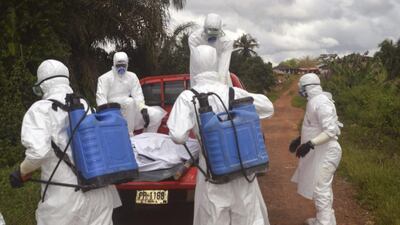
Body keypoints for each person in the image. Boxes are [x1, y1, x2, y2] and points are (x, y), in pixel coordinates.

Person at [167, 45, 273, 225]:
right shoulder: (233, 91)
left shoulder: (188, 96)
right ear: (216, 63)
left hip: (212, 171)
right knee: (248, 216)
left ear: (194, 64)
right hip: (242, 167)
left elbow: (178, 136)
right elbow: (268, 108)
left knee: (214, 218)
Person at [9, 59, 121, 225]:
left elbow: (38, 153)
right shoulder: (84, 104)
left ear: (43, 85)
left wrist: (22, 172)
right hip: (99, 191)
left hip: (65, 200)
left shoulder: (40, 109)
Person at [289, 73, 343, 225]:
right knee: (322, 187)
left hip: (328, 151)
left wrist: (309, 144)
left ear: (307, 88)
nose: (299, 91)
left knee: (320, 188)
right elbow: (314, 126)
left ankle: (324, 222)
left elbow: (331, 130)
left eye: (301, 87)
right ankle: (326, 219)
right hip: (321, 150)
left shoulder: (321, 103)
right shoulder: (313, 101)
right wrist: (300, 140)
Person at [96, 51, 165, 134]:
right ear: (114, 64)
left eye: (123, 65)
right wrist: (107, 116)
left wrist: (143, 109)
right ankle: (129, 135)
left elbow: (138, 94)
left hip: (130, 110)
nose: (121, 68)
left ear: (127, 64)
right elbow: (101, 98)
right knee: (130, 102)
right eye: (118, 65)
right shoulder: (105, 78)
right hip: (113, 111)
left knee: (155, 115)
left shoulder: (132, 77)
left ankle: (147, 138)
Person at [189, 13, 234, 87]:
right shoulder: (194, 39)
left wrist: (220, 87)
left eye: (215, 34)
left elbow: (223, 67)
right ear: (204, 28)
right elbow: (195, 65)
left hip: (218, 68)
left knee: (225, 88)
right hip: (200, 70)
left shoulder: (226, 42)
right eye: (210, 34)